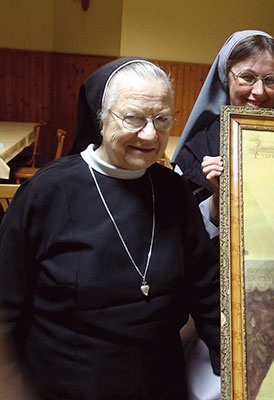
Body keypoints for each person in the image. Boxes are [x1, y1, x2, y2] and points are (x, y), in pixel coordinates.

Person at [0, 57, 220, 399]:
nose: (150, 134)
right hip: (64, 387)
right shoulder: (47, 193)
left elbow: (207, 293)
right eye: (133, 118)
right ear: (101, 119)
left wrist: (244, 368)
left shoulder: (176, 194)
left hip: (159, 385)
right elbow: (4, 310)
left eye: (162, 119)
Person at [170, 30, 274, 400]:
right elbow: (181, 242)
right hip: (210, 300)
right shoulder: (198, 145)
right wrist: (218, 200)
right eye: (247, 77)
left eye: (270, 80)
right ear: (226, 76)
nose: (258, 91)